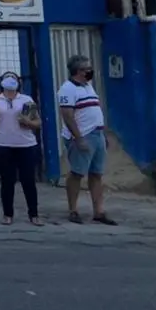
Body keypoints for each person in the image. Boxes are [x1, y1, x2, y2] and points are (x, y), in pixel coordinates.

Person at [58, 54, 116, 225]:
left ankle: (99, 211)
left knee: (97, 174)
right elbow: (67, 116)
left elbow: (93, 112)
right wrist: (79, 138)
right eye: (87, 69)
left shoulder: (88, 87)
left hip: (96, 135)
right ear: (79, 71)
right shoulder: (68, 89)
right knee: (77, 173)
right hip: (82, 136)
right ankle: (73, 210)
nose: (91, 71)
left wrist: (102, 134)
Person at [0, 70, 42, 226]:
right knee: (7, 181)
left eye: (13, 78)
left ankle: (34, 214)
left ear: (18, 83)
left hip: (26, 145)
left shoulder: (26, 99)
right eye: (7, 78)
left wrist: (27, 122)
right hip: (2, 145)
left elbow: (37, 123)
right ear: (1, 82)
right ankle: (8, 214)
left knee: (28, 180)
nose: (10, 80)